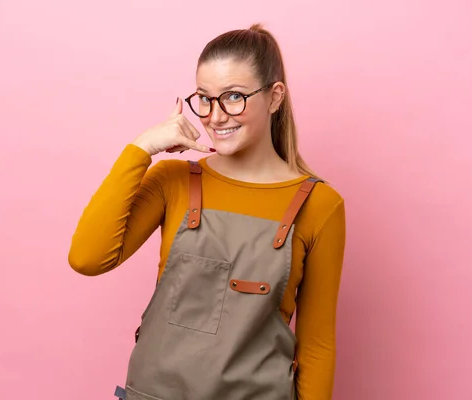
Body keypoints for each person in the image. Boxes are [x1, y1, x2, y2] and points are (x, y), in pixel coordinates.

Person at [68, 23, 346, 400]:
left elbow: (316, 346)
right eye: (204, 98)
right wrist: (142, 148)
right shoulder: (173, 180)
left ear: (275, 96)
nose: (215, 117)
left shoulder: (319, 205)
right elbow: (87, 258)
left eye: (233, 96)